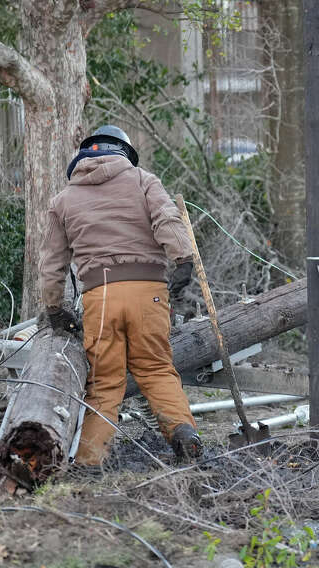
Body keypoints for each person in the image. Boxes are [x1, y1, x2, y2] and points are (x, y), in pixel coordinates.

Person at [40, 125, 202, 465]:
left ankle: (89, 460)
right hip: (150, 294)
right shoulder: (143, 181)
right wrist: (183, 261)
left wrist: (54, 308)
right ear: (124, 152)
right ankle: (183, 433)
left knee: (105, 384)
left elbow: (52, 262)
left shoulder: (63, 200)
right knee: (157, 370)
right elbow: (167, 219)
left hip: (101, 300)